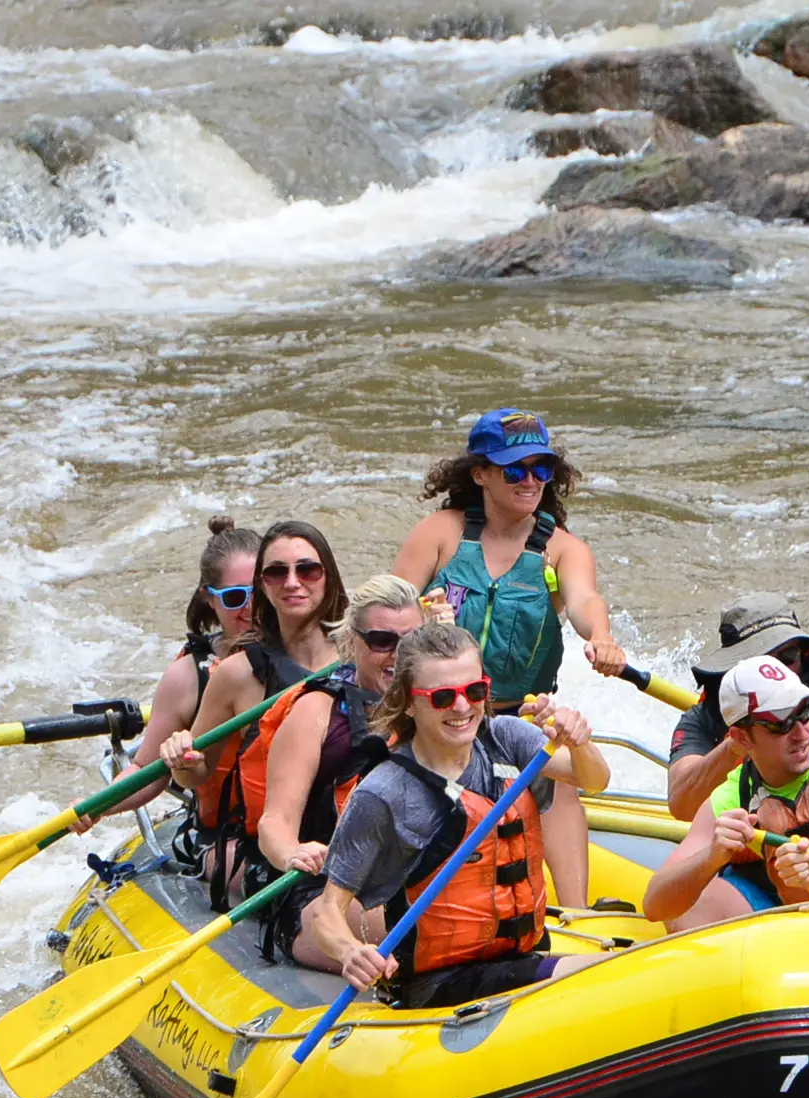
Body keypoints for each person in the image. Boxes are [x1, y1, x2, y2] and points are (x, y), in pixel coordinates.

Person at [303, 623, 612, 1009]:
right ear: (408, 703)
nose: (463, 707)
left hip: (520, 959)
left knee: (621, 970)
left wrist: (579, 743)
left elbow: (595, 780)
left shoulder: (507, 739)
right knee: (607, 975)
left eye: (475, 691)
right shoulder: (383, 793)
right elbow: (326, 911)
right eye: (443, 696)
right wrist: (350, 951)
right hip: (441, 984)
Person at [390, 409, 625, 910]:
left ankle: (576, 913)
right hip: (440, 709)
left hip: (519, 712)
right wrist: (421, 621)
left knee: (556, 779)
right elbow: (389, 614)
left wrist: (601, 637)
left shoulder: (561, 551)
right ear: (481, 474)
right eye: (515, 470)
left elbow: (584, 601)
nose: (531, 481)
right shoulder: (441, 533)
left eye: (541, 469)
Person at [241, 574, 425, 968]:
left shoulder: (445, 704)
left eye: (411, 642)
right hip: (321, 893)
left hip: (409, 876)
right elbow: (275, 822)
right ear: (350, 642)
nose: (398, 655)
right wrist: (292, 852)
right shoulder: (316, 712)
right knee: (433, 922)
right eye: (381, 642)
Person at [160, 521, 350, 897]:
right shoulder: (235, 673)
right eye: (277, 572)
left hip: (350, 840)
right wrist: (183, 759)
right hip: (270, 850)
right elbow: (196, 775)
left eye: (307, 570)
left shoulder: (363, 653)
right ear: (262, 586)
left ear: (328, 577)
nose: (293, 582)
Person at [641, 656, 809, 929]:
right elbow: (655, 907)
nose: (800, 734)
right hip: (783, 919)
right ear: (741, 738)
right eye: (780, 724)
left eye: (805, 712)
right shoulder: (732, 796)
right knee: (692, 911)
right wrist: (712, 856)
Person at [76, 517, 256, 833]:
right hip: (230, 836)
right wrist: (97, 807)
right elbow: (148, 769)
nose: (251, 607)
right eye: (235, 597)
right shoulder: (187, 676)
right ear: (209, 598)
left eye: (260, 592)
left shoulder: (305, 650)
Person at [664, 595, 809, 821]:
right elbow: (682, 806)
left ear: (803, 654)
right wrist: (740, 742)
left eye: (788, 656)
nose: (777, 672)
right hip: (745, 840)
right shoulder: (708, 716)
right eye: (764, 664)